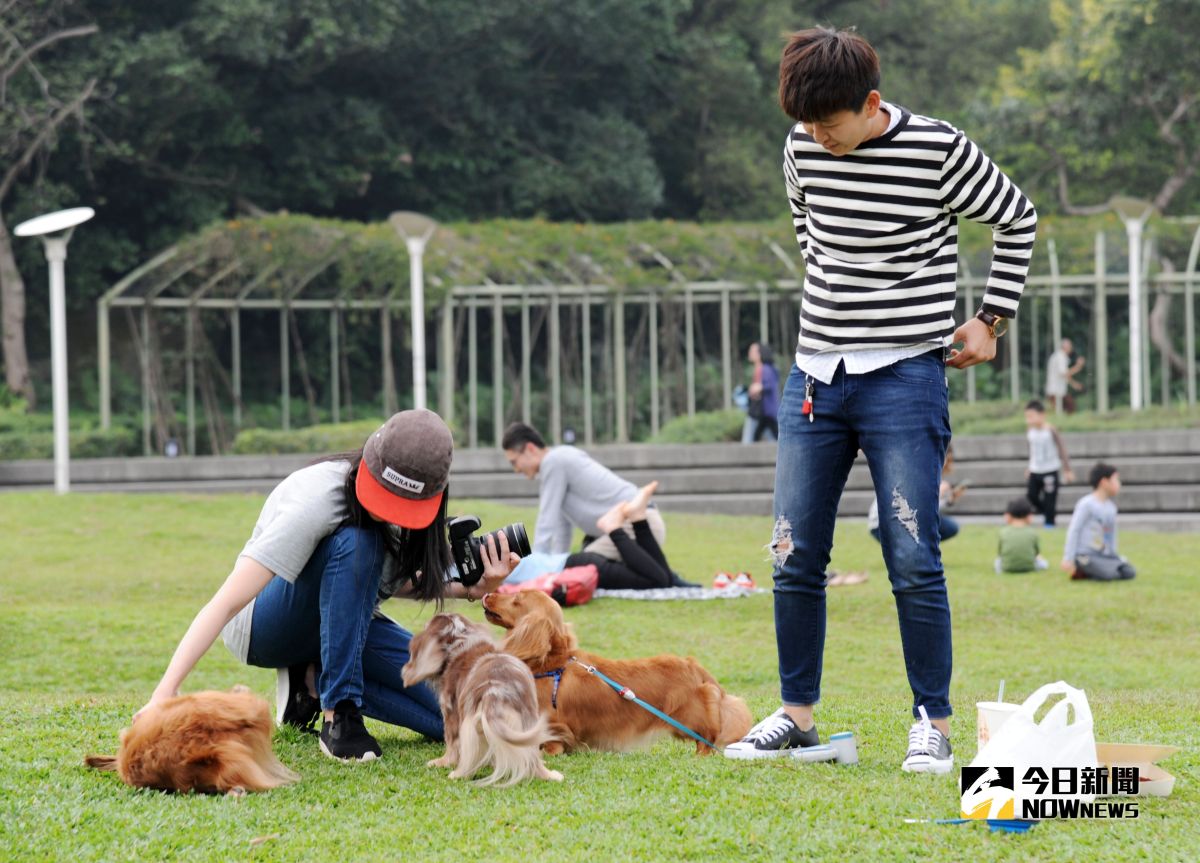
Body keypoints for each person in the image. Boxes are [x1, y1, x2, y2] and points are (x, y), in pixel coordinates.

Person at [724, 27, 1036, 774]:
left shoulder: (938, 149)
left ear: (870, 103)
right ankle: (796, 714)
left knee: (911, 553)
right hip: (814, 377)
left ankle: (932, 719)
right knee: (792, 553)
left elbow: (1016, 216)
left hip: (905, 376)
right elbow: (811, 232)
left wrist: (989, 320)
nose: (817, 139)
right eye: (805, 126)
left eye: (830, 126)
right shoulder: (802, 147)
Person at [137, 409, 521, 763]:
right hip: (264, 628)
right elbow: (224, 604)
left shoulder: (417, 517)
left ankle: (312, 683)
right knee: (359, 541)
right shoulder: (316, 500)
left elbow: (386, 582)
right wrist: (162, 695)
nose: (386, 510)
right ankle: (339, 716)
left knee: (452, 721)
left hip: (345, 623)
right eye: (384, 496)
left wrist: (473, 588)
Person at [504, 482, 674, 590]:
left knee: (657, 581)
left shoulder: (494, 570)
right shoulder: (496, 563)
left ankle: (614, 528)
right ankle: (638, 518)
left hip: (574, 569)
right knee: (663, 577)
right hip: (574, 563)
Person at [1061, 462, 1136, 581]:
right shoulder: (1086, 504)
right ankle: (1082, 569)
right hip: (1085, 555)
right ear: (1104, 482)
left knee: (1128, 572)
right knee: (1109, 574)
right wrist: (1068, 558)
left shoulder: (1111, 508)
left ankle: (1093, 570)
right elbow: (1074, 530)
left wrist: (1114, 555)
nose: (1119, 484)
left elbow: (1111, 536)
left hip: (1102, 555)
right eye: (1115, 480)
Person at [1024, 399, 1074, 528]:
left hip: (1050, 470)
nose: (1028, 419)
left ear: (1042, 415)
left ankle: (1049, 524)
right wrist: (1029, 466)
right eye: (1027, 417)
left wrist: (1067, 469)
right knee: (1031, 495)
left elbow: (1062, 449)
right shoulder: (1030, 432)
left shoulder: (1050, 430)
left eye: (1031, 416)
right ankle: (1045, 512)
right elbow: (1031, 450)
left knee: (1050, 499)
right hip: (1035, 470)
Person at [994, 497, 1048, 574]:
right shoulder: (1032, 532)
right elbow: (1036, 552)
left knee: (997, 561)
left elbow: (1000, 552)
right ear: (1029, 516)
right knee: (1042, 561)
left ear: (1009, 515)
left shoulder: (1003, 532)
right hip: (1030, 567)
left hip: (1007, 567)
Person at [747, 342, 781, 442]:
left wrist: (758, 387)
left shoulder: (766, 368)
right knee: (773, 438)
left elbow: (769, 386)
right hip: (765, 412)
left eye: (753, 351)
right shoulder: (763, 368)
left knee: (750, 438)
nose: (750, 353)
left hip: (766, 412)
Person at [1044, 338, 1086, 413]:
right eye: (1070, 347)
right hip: (1056, 391)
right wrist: (1078, 366)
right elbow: (1064, 373)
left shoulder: (1059, 356)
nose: (1071, 349)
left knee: (1069, 408)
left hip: (1058, 391)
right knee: (1069, 409)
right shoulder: (1060, 357)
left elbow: (1064, 375)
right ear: (1065, 347)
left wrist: (1074, 384)